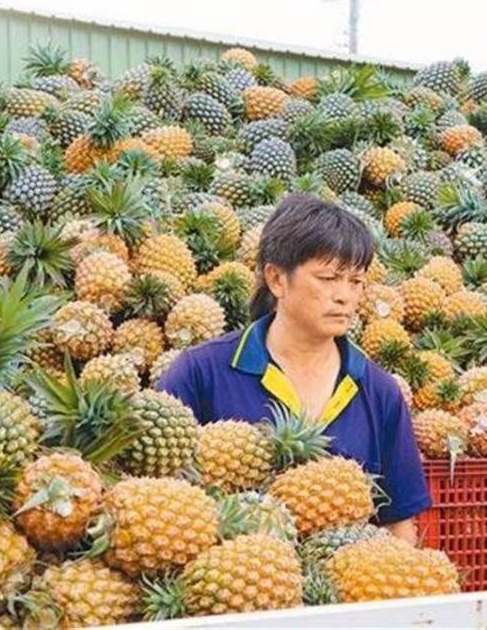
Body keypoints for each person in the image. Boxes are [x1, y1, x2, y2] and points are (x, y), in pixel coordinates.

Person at [157, 193, 430, 543]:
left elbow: (398, 524)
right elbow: (157, 497)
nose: (345, 295)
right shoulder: (200, 373)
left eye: (356, 281)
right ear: (276, 279)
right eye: (329, 278)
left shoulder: (379, 391)